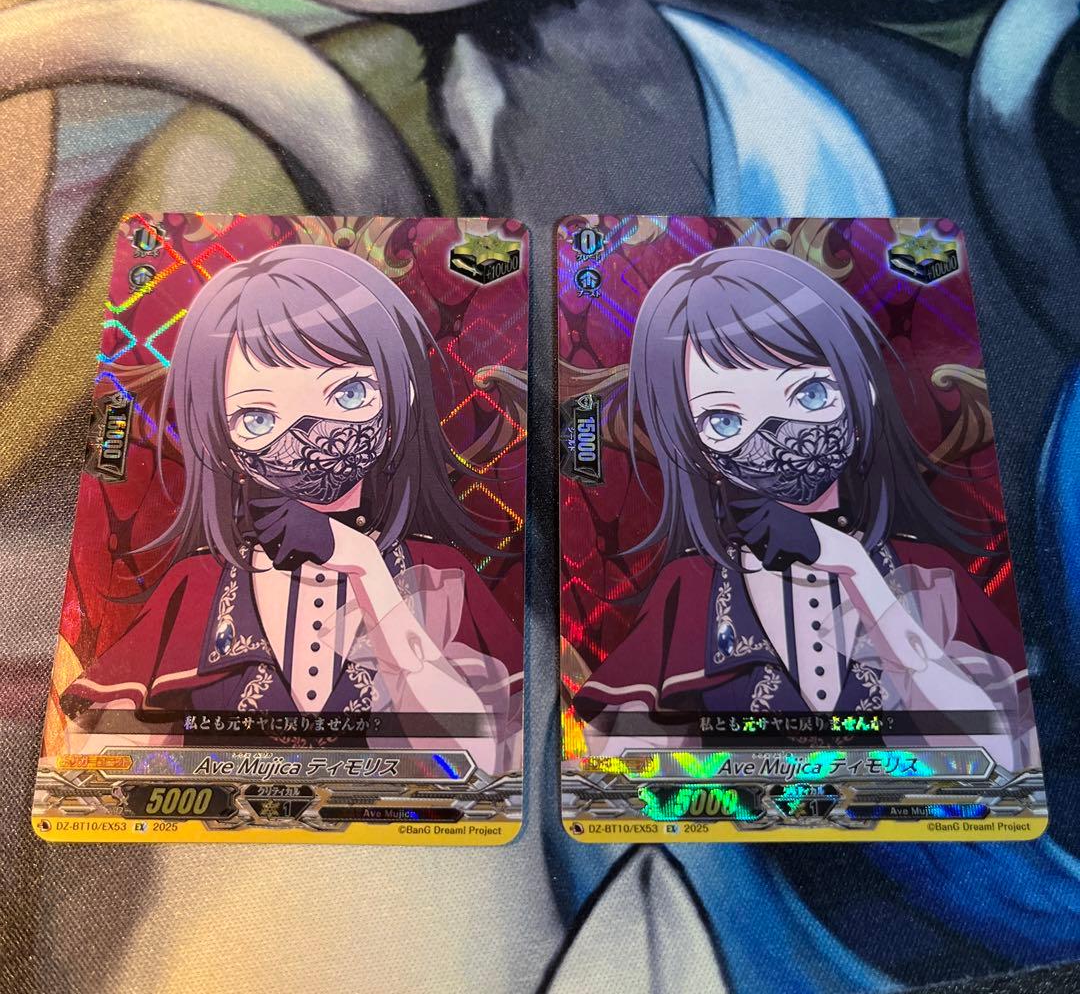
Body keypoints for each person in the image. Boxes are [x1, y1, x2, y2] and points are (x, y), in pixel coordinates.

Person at [62, 245, 521, 773]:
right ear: (220, 441)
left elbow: (491, 760)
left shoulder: (440, 573)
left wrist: (364, 566)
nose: (308, 435)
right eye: (257, 418)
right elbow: (91, 757)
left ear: (403, 396)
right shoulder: (198, 587)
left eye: (348, 394)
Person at [575, 247, 1034, 770]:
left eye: (810, 393)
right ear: (696, 448)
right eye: (725, 421)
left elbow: (1003, 755)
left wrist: (855, 567)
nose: (777, 435)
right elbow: (610, 753)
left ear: (863, 389)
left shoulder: (927, 574)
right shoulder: (693, 588)